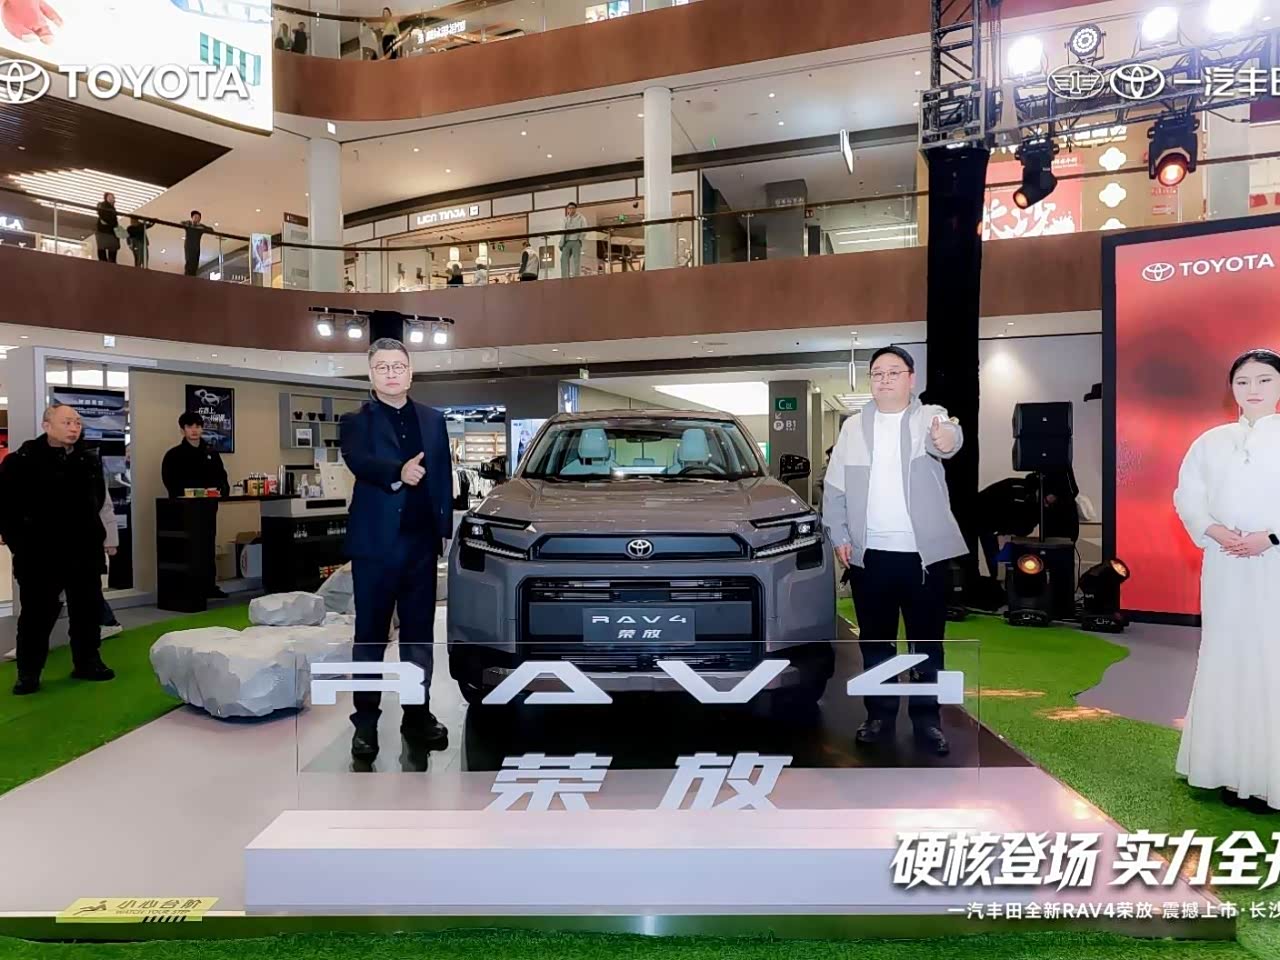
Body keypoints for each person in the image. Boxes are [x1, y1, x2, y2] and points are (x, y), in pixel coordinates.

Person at [822, 345, 966, 756]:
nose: (884, 379)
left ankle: (927, 721)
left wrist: (946, 435)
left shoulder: (928, 416)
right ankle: (879, 715)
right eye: (877, 373)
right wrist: (840, 534)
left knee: (927, 643)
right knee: (876, 643)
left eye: (893, 372)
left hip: (924, 559)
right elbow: (835, 488)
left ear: (910, 378)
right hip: (871, 557)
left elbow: (949, 437)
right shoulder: (853, 428)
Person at [1174, 347, 1280, 813]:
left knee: (1271, 659)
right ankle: (1224, 768)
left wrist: (1270, 537)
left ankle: (1268, 777)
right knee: (1225, 654)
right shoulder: (1211, 442)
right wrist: (1215, 531)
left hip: (1274, 564)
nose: (1253, 390)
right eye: (1243, 381)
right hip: (1224, 564)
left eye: (1264, 380)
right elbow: (1188, 496)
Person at [340, 338, 453, 759]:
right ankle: (365, 721)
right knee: (370, 635)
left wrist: (443, 530)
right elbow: (359, 461)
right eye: (383, 367)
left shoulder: (433, 419)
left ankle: (417, 714)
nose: (391, 373)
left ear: (411, 372)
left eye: (398, 366)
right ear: (371, 374)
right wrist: (398, 472)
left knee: (419, 636)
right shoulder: (356, 421)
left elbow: (442, 473)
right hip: (375, 546)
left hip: (421, 545)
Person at [0, 405, 115, 695]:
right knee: (37, 616)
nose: (74, 428)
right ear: (47, 425)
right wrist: (20, 544)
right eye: (67, 422)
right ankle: (28, 673)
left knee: (87, 610)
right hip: (39, 554)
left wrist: (103, 538)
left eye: (77, 422)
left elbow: (99, 500)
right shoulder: (21, 461)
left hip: (84, 550)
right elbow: (7, 509)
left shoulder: (88, 461)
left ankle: (87, 662)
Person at [162, 412, 230, 599]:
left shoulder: (211, 453)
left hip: (208, 507)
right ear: (182, 430)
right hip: (184, 510)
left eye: (198, 426)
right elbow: (170, 482)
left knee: (207, 546)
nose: (194, 430)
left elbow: (222, 477)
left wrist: (222, 490)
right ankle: (190, 587)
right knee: (188, 548)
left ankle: (209, 586)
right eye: (190, 427)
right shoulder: (174, 455)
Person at [560, 202, 587, 279]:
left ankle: (576, 277)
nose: (571, 210)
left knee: (576, 260)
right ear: (567, 209)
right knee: (563, 259)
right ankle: (564, 277)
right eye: (569, 208)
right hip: (566, 241)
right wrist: (561, 243)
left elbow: (584, 229)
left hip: (576, 240)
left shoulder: (581, 218)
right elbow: (562, 231)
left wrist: (579, 239)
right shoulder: (565, 219)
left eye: (572, 208)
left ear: (575, 209)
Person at [181, 211, 210, 277]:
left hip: (196, 247)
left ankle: (193, 278)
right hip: (189, 247)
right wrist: (189, 224)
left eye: (198, 217)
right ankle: (187, 278)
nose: (196, 218)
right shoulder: (188, 224)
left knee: (195, 263)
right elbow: (181, 223)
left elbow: (210, 229)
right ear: (192, 218)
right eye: (195, 217)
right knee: (189, 262)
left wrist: (200, 226)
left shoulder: (200, 227)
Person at [95, 192, 119, 264]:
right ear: (107, 198)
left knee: (103, 250)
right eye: (111, 197)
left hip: (106, 232)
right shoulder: (105, 206)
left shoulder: (111, 208)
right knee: (110, 251)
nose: (113, 199)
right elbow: (108, 218)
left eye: (113, 197)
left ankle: (105, 264)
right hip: (107, 232)